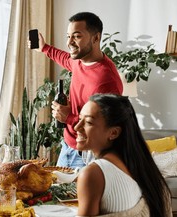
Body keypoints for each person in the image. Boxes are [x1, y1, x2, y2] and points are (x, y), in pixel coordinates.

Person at [65, 94, 177, 217]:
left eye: (88, 122)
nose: (77, 127)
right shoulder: (141, 167)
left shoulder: (93, 173)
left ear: (113, 133)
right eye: (80, 119)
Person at [29, 12, 123, 168]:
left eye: (77, 36)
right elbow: (65, 58)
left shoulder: (107, 80)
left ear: (96, 38)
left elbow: (103, 128)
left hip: (87, 155)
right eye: (68, 36)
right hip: (67, 145)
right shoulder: (79, 61)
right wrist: (44, 48)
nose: (69, 42)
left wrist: (68, 118)